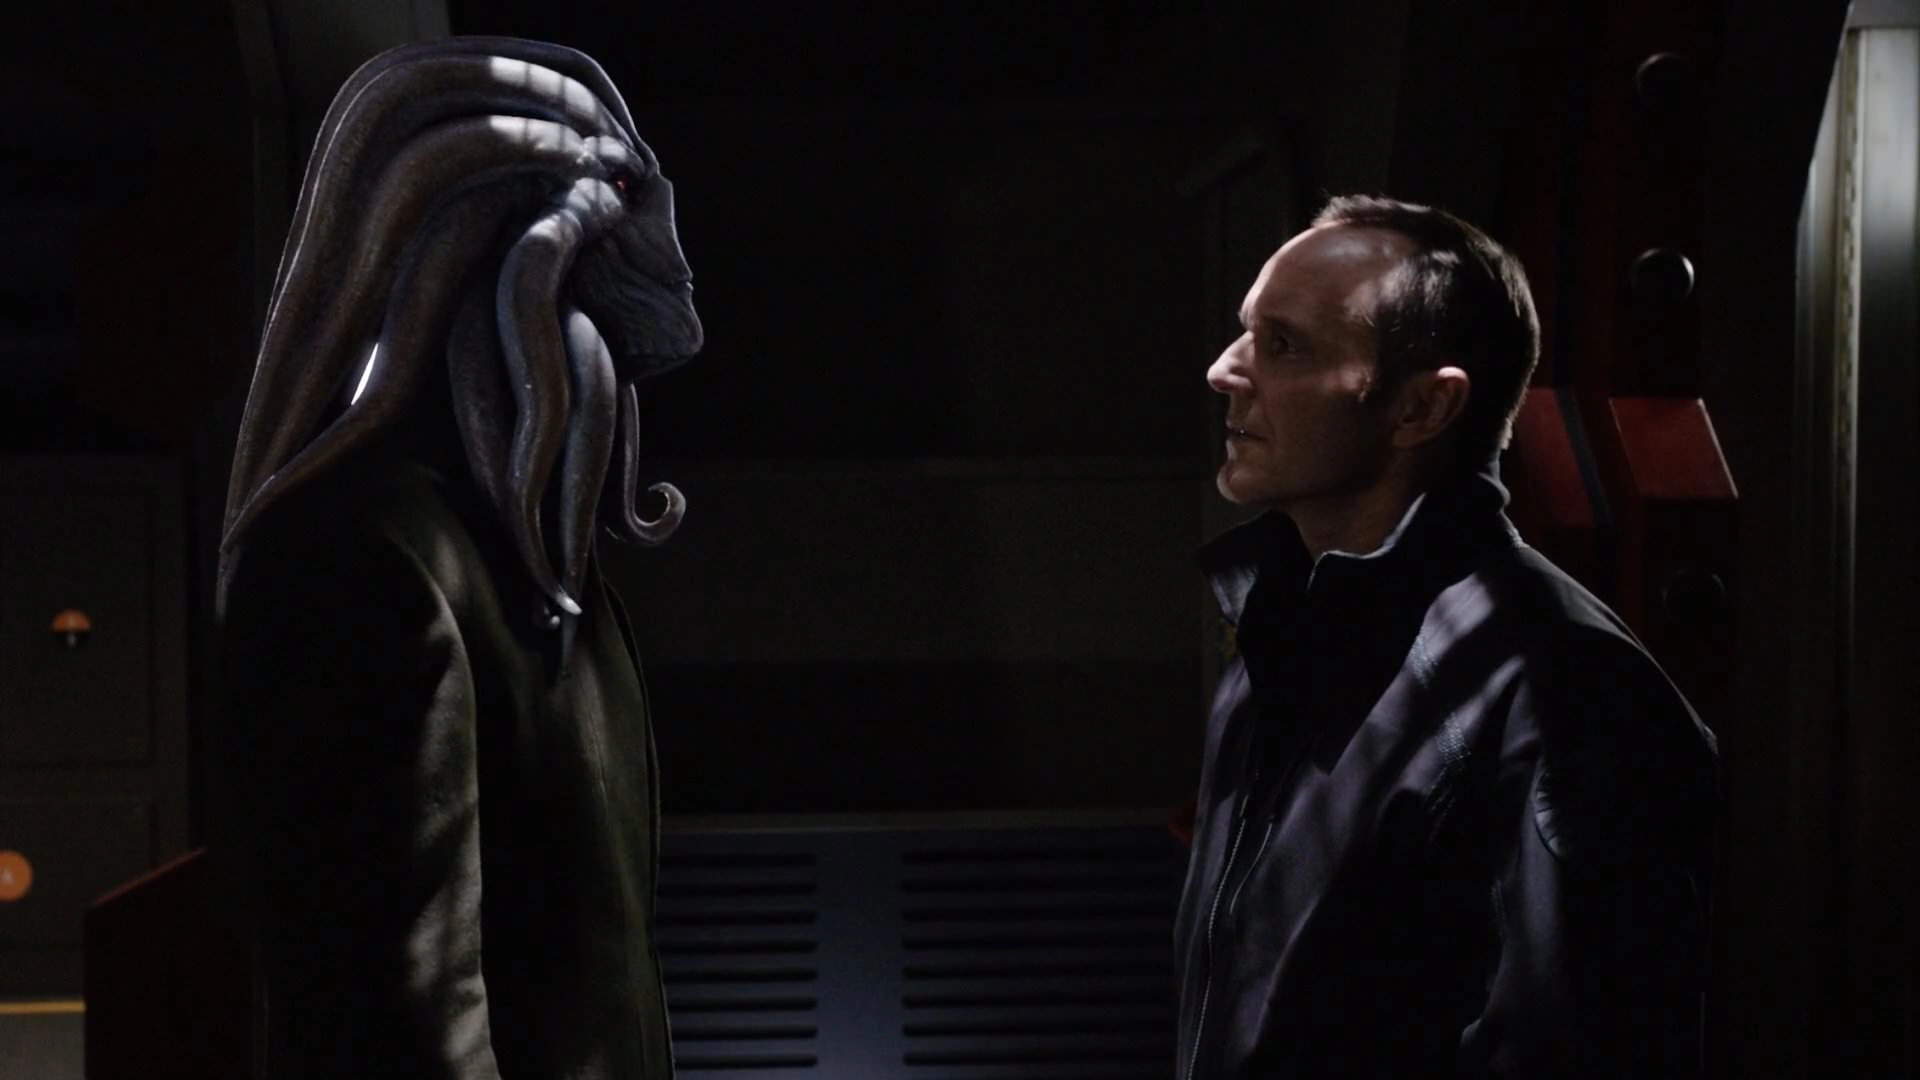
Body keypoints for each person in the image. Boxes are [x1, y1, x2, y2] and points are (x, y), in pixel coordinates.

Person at [216, 38, 700, 1079]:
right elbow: (397, 1017)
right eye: (626, 192)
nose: (669, 249)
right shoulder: (362, 558)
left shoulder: (535, 581)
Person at [1174, 195, 1718, 1078]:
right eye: (1247, 330)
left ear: (1424, 407)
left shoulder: (1561, 689)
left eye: (1284, 345)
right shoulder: (1282, 638)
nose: (1224, 369)